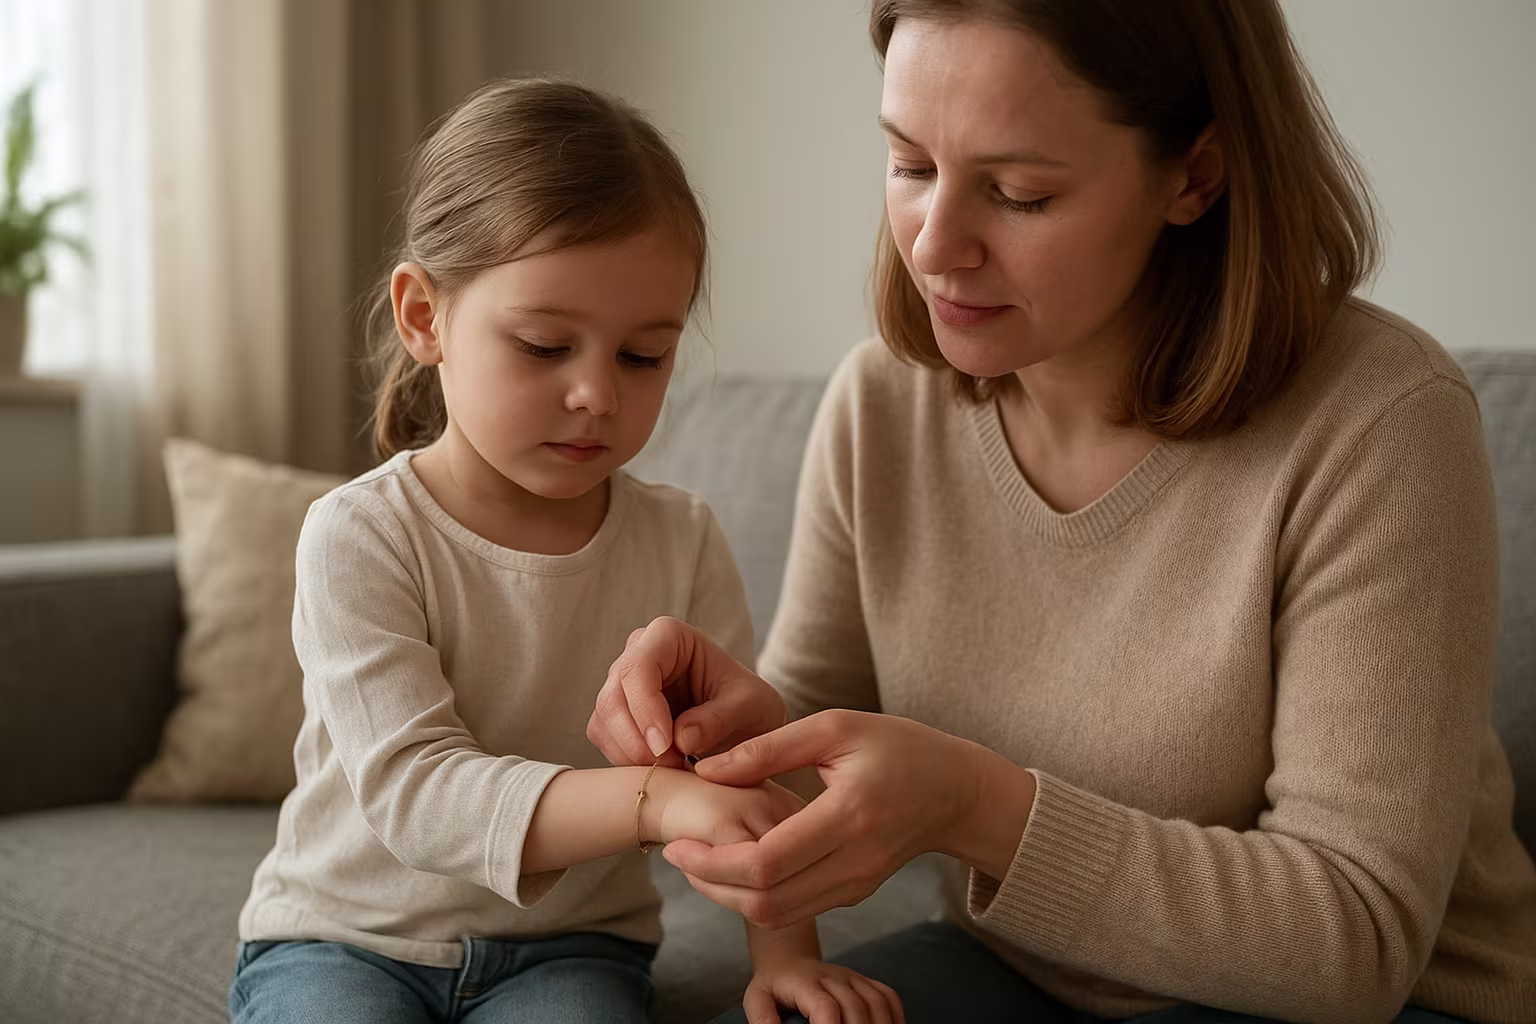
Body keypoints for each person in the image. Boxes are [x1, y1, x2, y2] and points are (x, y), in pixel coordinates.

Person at [586, 2, 1536, 1022]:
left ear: (1195, 176)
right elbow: (821, 729)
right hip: (1023, 967)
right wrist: (727, 737)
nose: (937, 245)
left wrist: (977, 803)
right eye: (910, 165)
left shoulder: (1380, 421)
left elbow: (1353, 939)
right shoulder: (883, 406)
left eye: (1018, 193)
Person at [228, 77, 898, 1024]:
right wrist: (650, 805)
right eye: (545, 345)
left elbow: (745, 765)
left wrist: (784, 956)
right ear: (426, 318)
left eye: (641, 356)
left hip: (572, 951)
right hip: (345, 935)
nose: (597, 394)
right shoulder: (361, 534)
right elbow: (417, 791)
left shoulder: (682, 537)